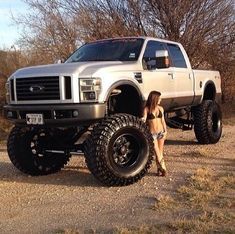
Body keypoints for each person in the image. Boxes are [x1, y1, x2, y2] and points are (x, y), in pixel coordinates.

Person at [142, 91, 167, 176]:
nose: (161, 99)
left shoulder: (161, 109)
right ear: (155, 99)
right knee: (157, 152)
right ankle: (163, 168)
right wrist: (142, 119)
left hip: (161, 133)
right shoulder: (147, 109)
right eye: (159, 98)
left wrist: (165, 131)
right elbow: (144, 119)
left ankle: (159, 170)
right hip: (152, 134)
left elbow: (163, 121)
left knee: (160, 152)